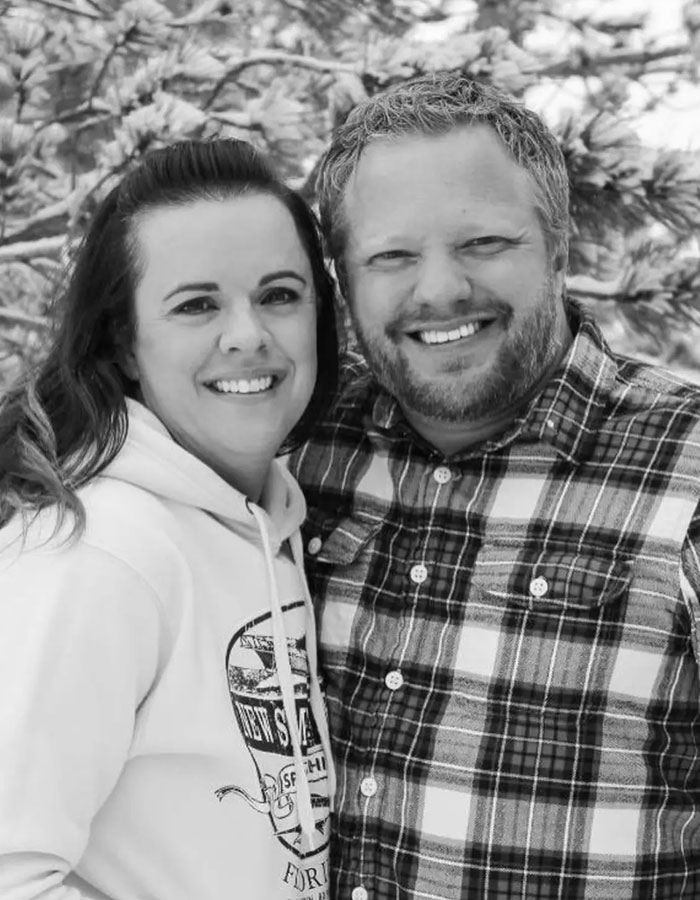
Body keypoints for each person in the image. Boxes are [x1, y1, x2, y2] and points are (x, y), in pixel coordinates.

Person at [289, 71, 700, 899]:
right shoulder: (295, 448)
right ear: (344, 279)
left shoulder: (685, 465)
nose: (439, 289)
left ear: (561, 242)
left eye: (483, 242)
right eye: (392, 256)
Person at [0, 138, 338, 900]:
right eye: (197, 305)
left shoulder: (271, 523)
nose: (249, 334)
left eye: (280, 295)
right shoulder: (97, 554)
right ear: (124, 342)